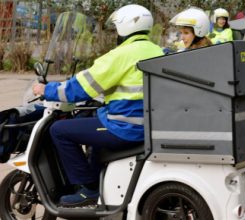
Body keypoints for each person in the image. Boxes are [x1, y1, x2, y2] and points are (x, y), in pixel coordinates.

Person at [32, 4, 164, 207]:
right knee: (92, 123)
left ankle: (88, 190)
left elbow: (80, 88)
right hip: (150, 126)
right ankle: (99, 182)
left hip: (125, 128)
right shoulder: (159, 50)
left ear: (124, 28)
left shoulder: (121, 55)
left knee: (59, 130)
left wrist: (45, 90)